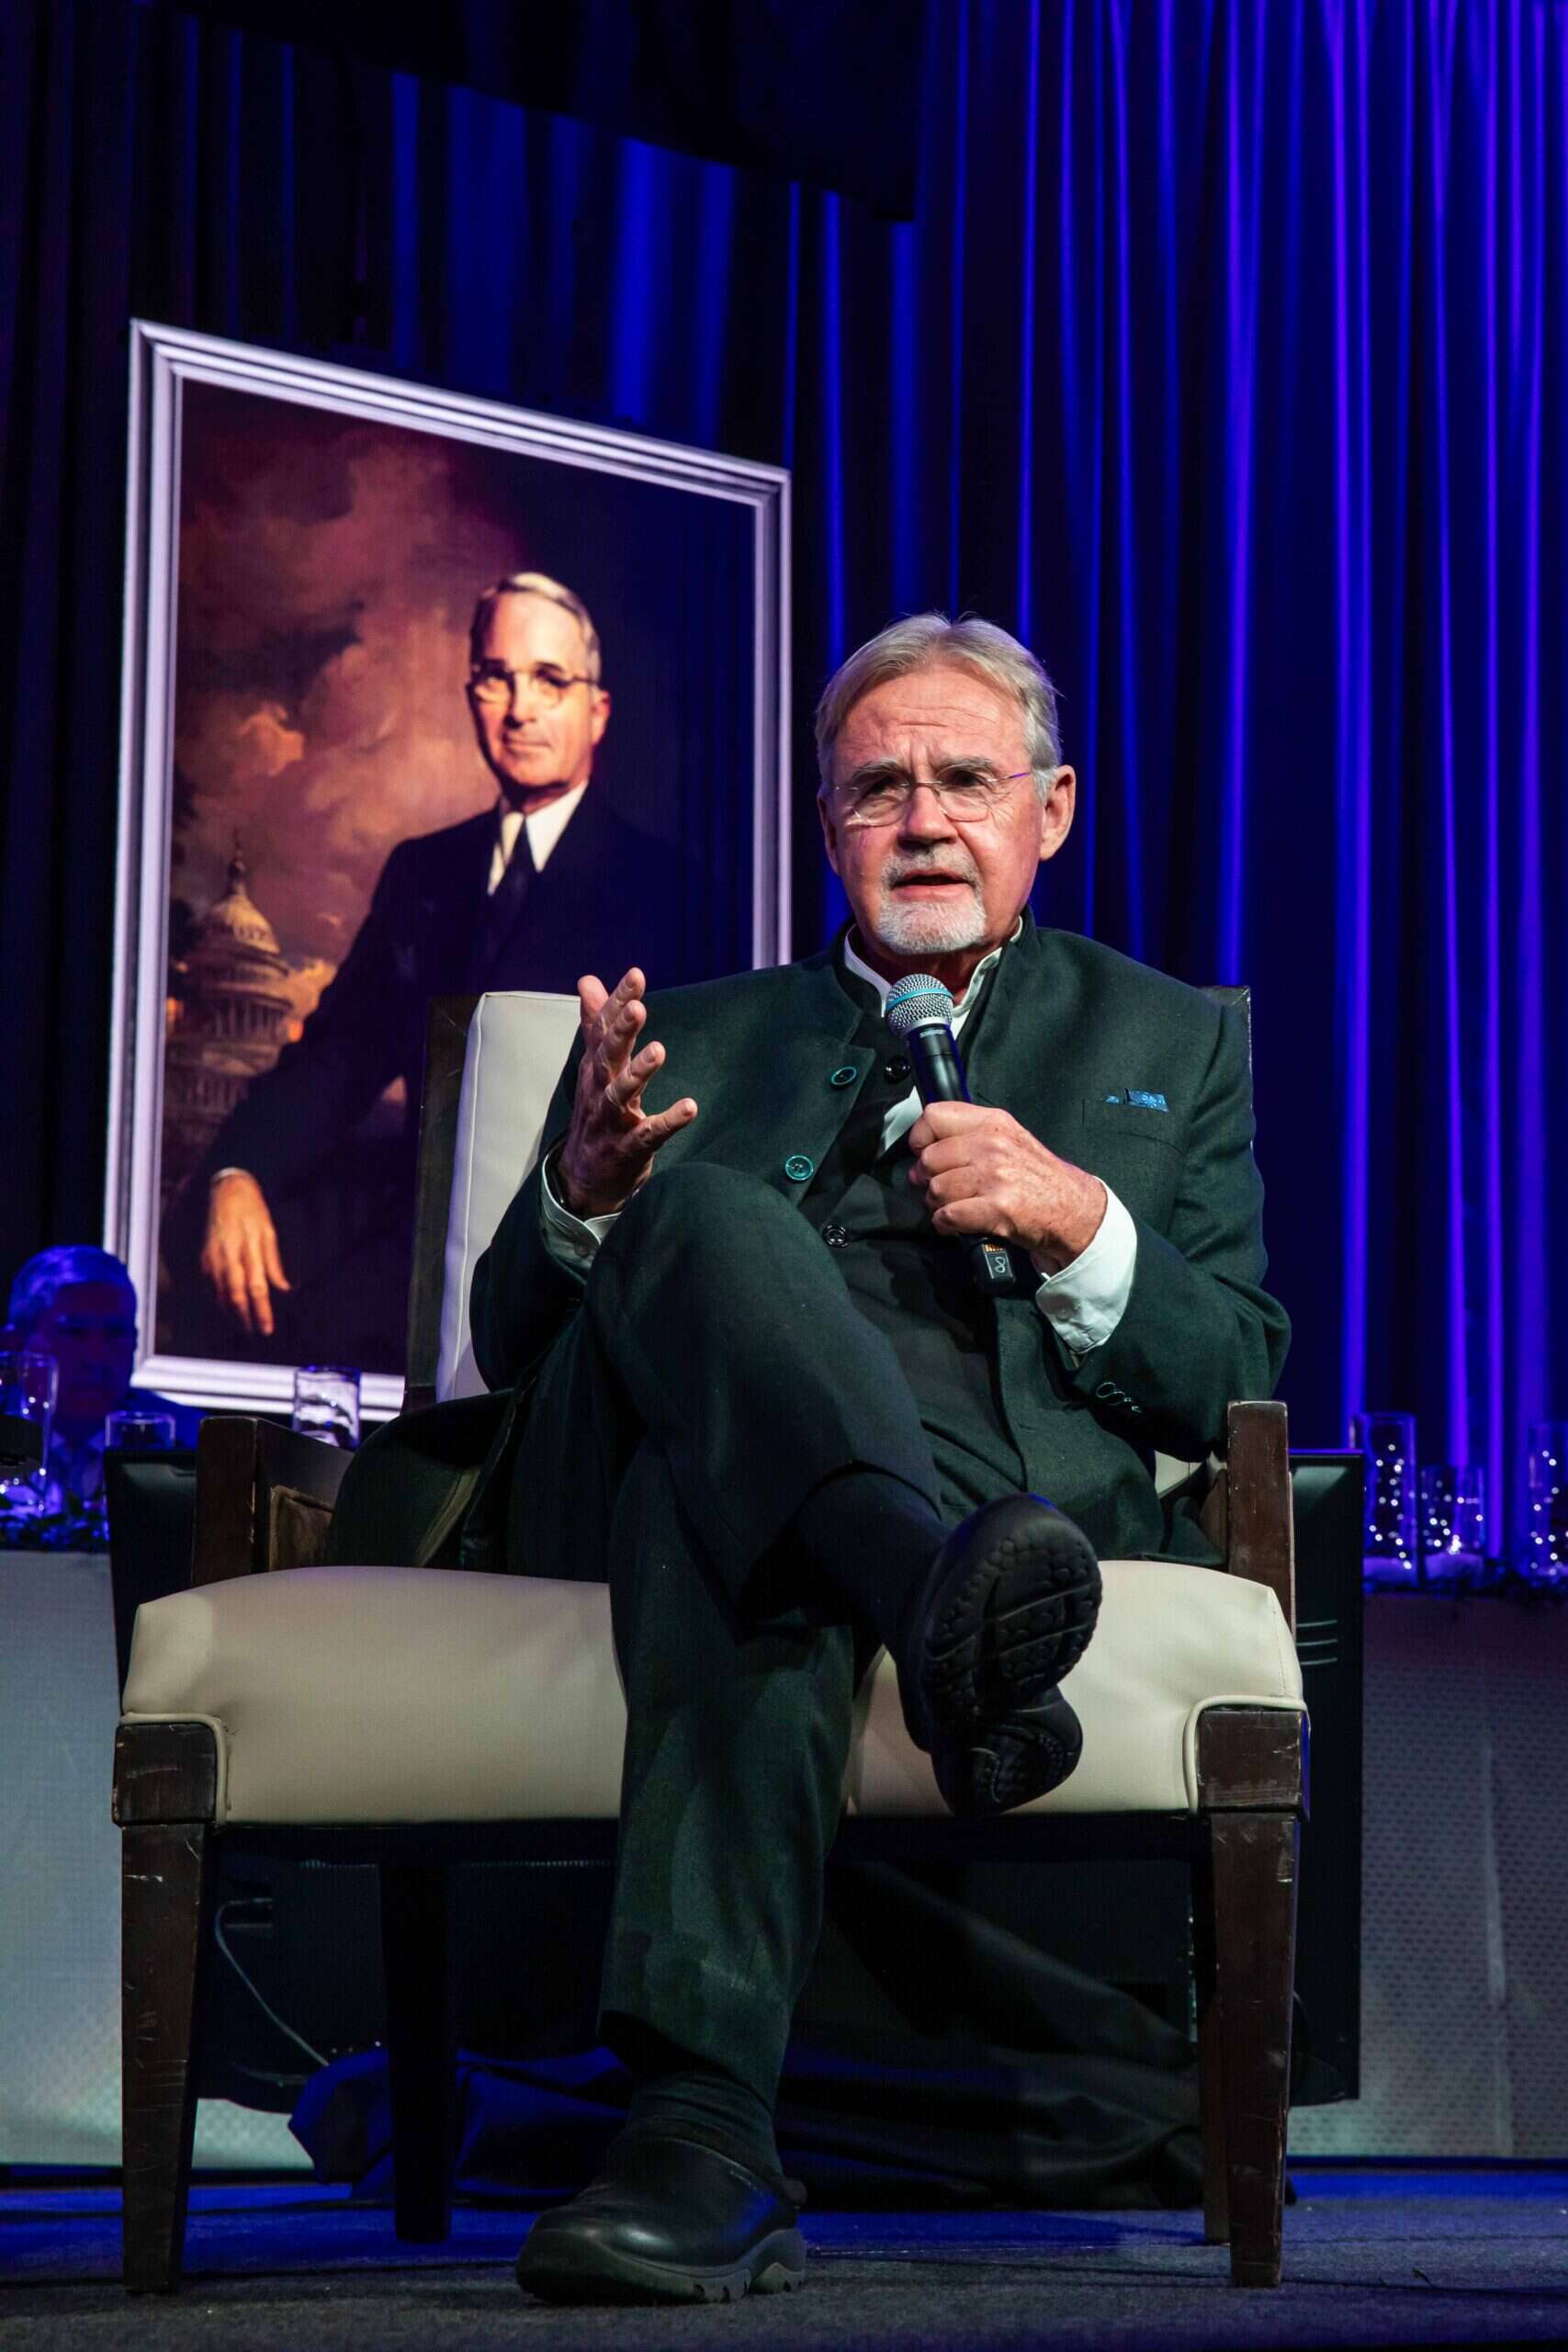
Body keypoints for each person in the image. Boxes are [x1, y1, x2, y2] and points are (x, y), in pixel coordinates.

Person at [333, 612, 1291, 2305]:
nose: (922, 819)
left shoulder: (1166, 1041)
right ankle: (931, 1607)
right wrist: (577, 1201)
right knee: (700, 1219)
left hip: (948, 1485)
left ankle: (701, 2140)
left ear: (1049, 810)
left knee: (731, 1521)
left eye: (964, 780)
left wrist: (1081, 1224)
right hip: (640, 1459)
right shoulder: (675, 1029)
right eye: (877, 788)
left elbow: (1236, 1373)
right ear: (826, 824)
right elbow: (507, 1336)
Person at [171, 571, 702, 1361]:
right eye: (496, 678)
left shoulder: (668, 887)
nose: (520, 710)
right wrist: (238, 1170)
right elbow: (338, 1056)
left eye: (549, 681)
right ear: (469, 694)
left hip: (578, 1257)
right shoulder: (423, 872)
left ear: (597, 711)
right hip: (425, 1246)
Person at [3, 1247, 200, 1510]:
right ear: (16, 1345)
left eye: (115, 1334)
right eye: (75, 1333)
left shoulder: (192, 1447)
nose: (97, 1357)